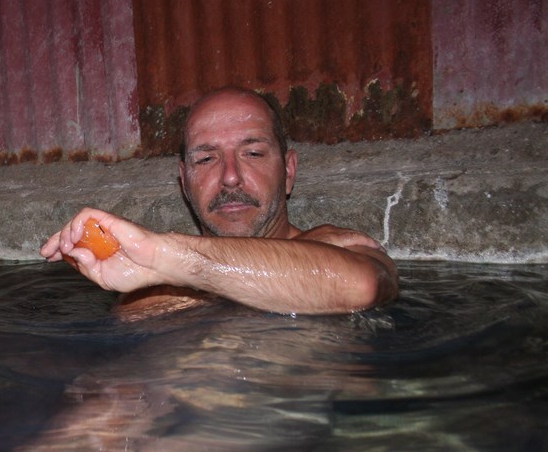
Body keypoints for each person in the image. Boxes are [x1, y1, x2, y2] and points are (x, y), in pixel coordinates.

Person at [41, 86, 399, 315]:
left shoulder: (346, 248)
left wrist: (166, 258)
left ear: (288, 171)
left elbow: (360, 286)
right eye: (206, 159)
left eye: (253, 153)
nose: (230, 176)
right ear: (184, 182)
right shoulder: (148, 287)